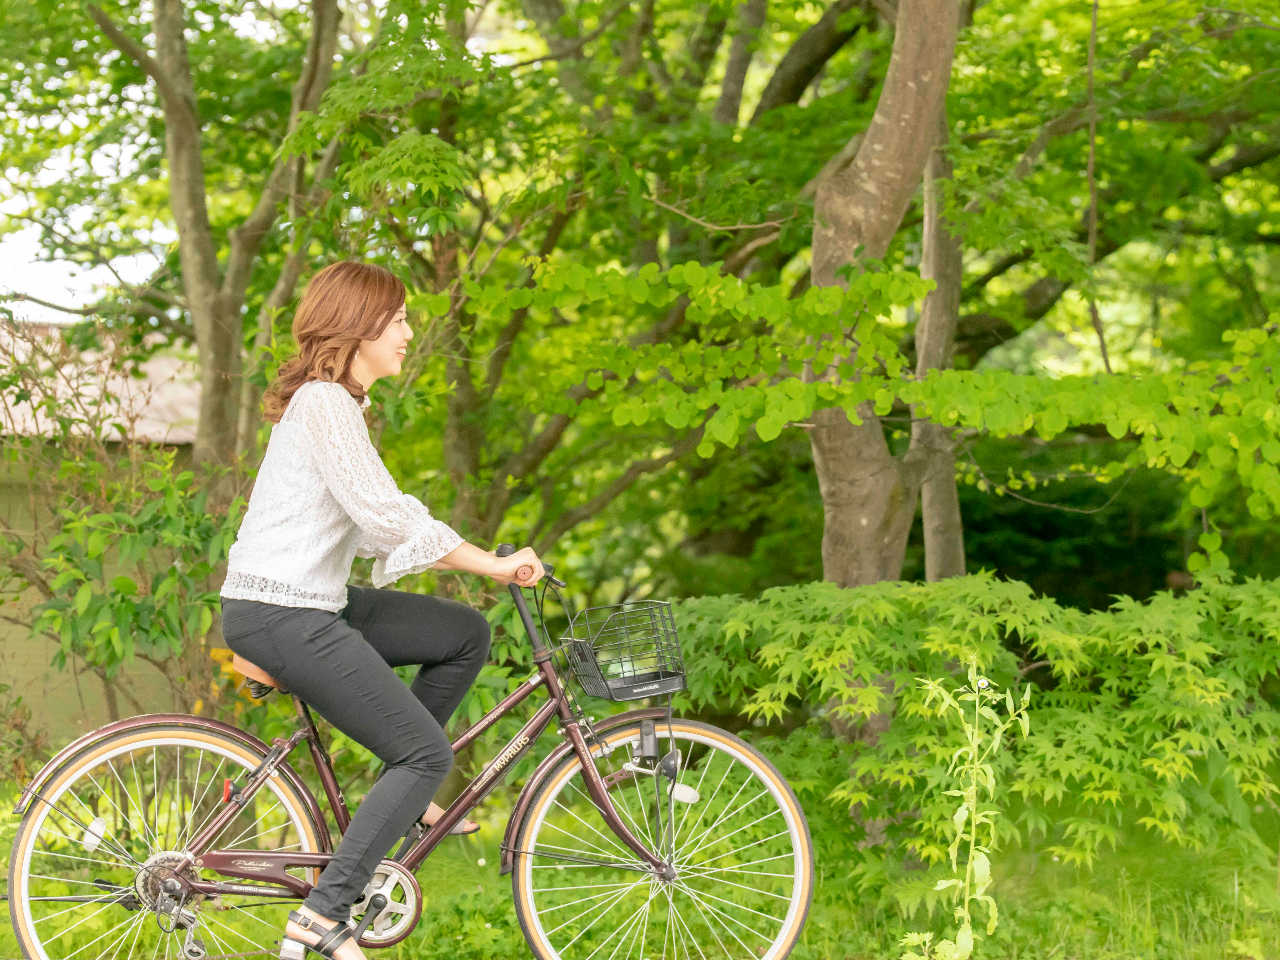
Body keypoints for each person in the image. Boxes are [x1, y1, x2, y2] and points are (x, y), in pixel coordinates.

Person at [218, 261, 544, 960]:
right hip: (280, 611)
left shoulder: (342, 407)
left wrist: (459, 553)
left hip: (312, 599)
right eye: (397, 320)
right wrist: (489, 561)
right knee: (424, 754)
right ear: (359, 326)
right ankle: (322, 916)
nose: (408, 332)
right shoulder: (325, 405)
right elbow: (386, 515)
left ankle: (398, 795)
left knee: (462, 633)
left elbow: (365, 527)